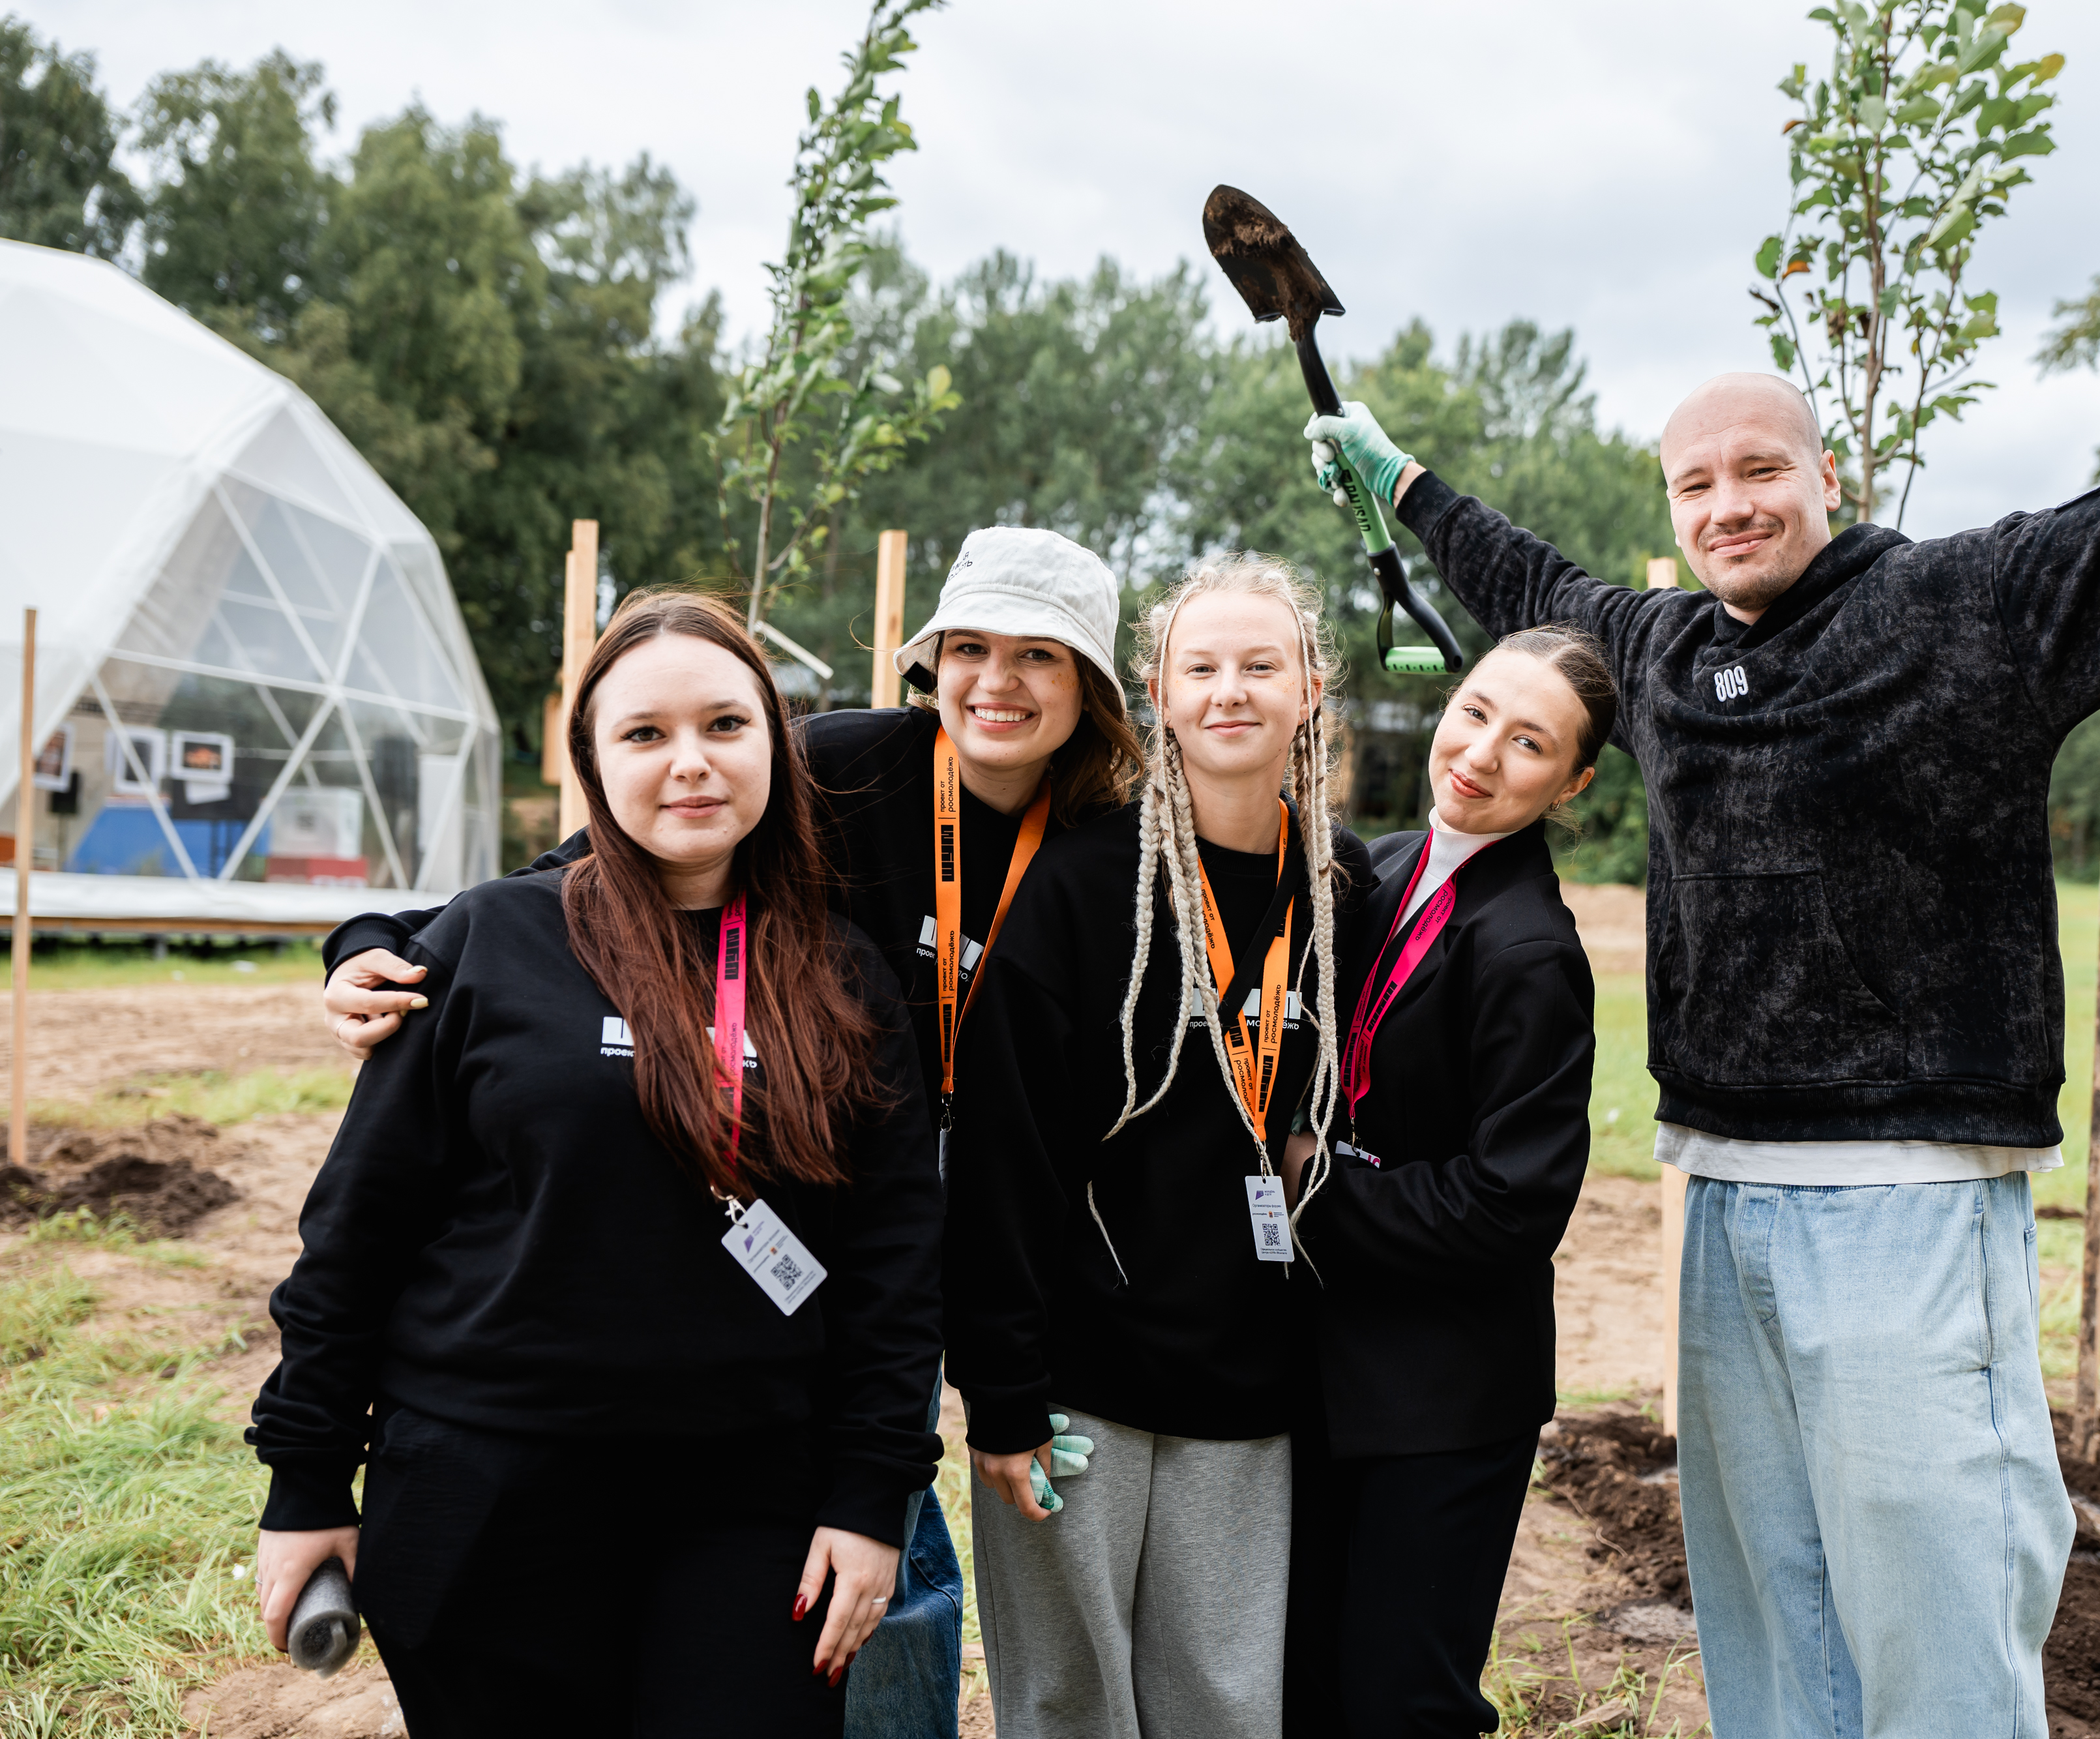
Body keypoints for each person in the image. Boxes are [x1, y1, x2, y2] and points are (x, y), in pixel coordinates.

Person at [1301, 188, 2100, 1736]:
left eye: (1759, 468)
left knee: (1933, 1615)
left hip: (1904, 1199)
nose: (1728, 504)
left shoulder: (1965, 606)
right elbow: (1529, 582)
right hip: (1720, 1199)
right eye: (1695, 485)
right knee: (1766, 1614)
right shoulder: (1663, 654)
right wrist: (1403, 481)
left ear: (1828, 473)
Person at [316, 526, 1141, 1737]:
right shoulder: (840, 761)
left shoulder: (1107, 843)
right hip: (792, 1147)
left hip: (971, 1180)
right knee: (872, 1529)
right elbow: (597, 858)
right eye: (968, 648)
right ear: (929, 662)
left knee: (873, 1510)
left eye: (1040, 657)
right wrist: (380, 940)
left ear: (1095, 688)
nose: (996, 682)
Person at [250, 591, 943, 1734]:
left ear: (777, 741)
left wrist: (873, 1496)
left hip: (751, 1504)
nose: (691, 765)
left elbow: (895, 1261)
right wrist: (308, 1479)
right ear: (591, 760)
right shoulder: (489, 940)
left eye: (726, 726)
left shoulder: (844, 974)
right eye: (644, 734)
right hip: (484, 1490)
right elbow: (355, 1232)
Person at [944, 553, 1372, 1739]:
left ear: (1311, 689)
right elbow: (1005, 1150)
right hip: (1080, 1383)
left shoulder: (1340, 892)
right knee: (1073, 1696)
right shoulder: (1086, 884)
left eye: (1261, 665)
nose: (1231, 690)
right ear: (1161, 694)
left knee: (1227, 1702)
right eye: (1202, 667)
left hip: (1252, 1378)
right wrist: (1004, 1393)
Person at [1282, 626, 1612, 1738]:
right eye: (1474, 712)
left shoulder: (1529, 951)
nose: (1480, 754)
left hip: (1443, 1398)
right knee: (1308, 1684)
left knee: (1403, 1702)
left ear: (1573, 781)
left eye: (1529, 744)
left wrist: (1312, 1195)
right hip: (1331, 1366)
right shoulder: (1375, 869)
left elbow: (1513, 1203)